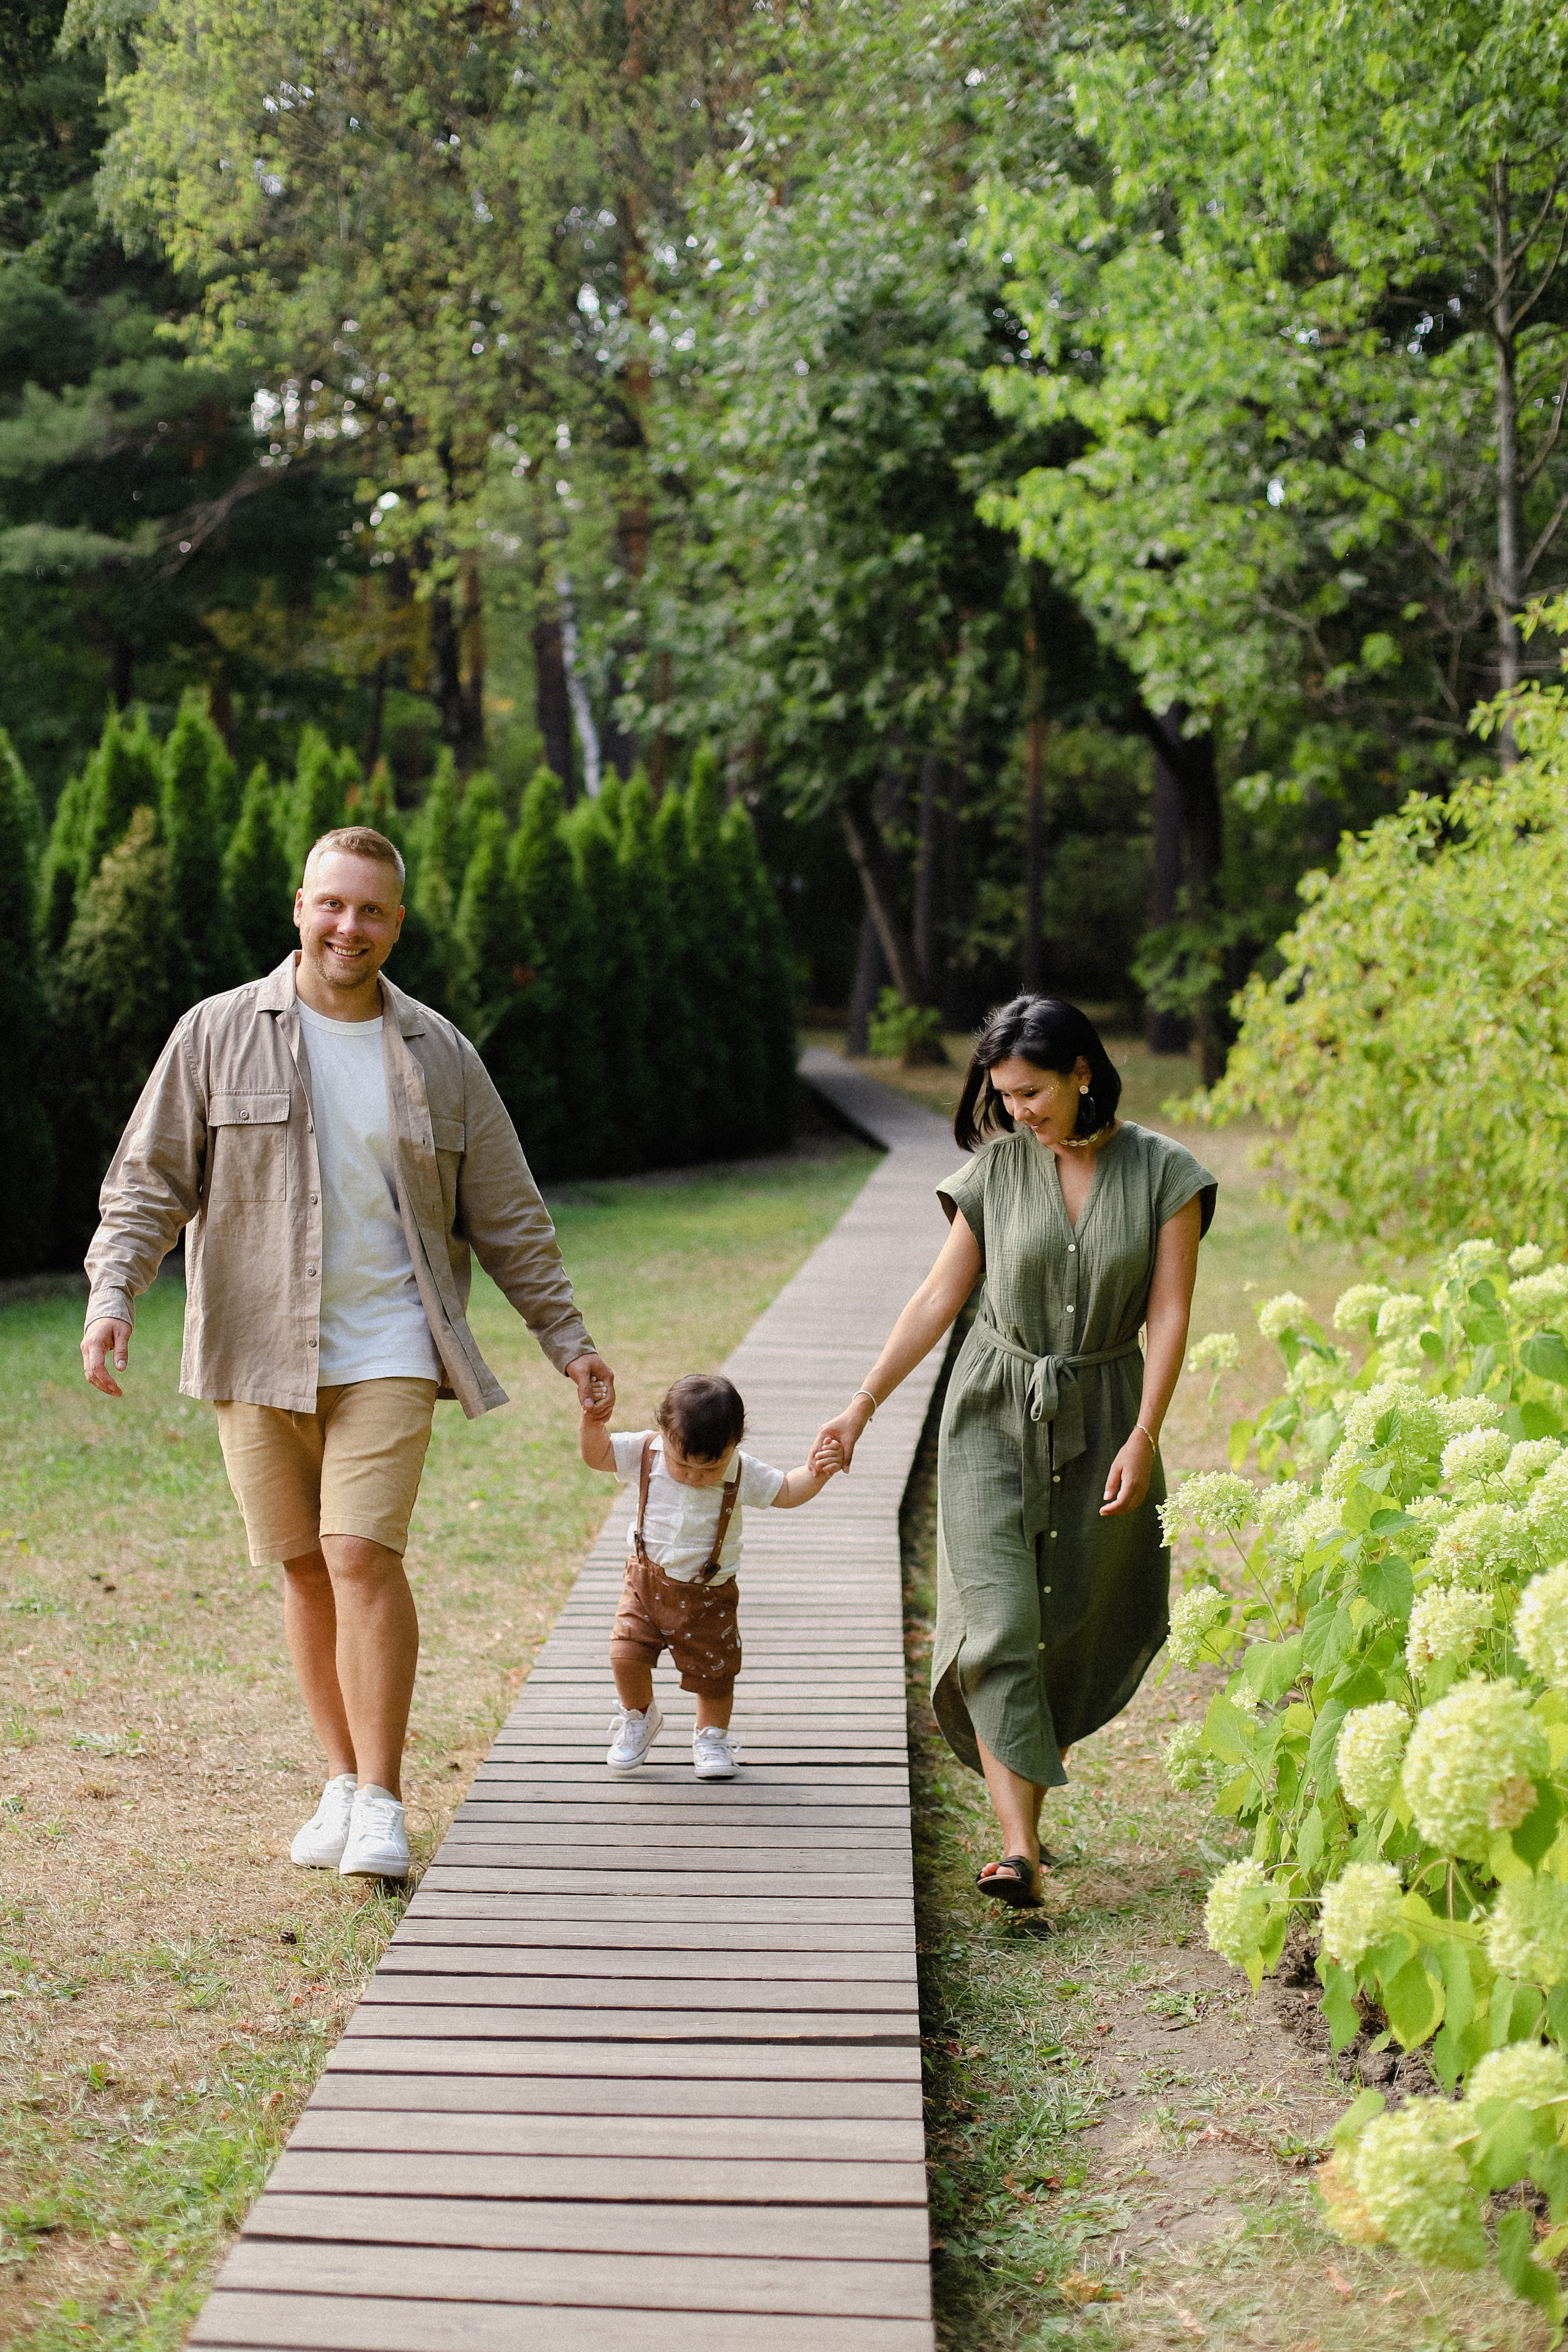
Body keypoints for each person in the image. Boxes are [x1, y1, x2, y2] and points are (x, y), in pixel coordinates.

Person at [80, 825, 615, 1881]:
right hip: (254, 1347)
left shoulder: (441, 1055)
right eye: (333, 904)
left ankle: (380, 1798)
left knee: (361, 1555)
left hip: (392, 1347)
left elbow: (507, 1213)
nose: (348, 926)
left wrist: (570, 1341)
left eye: (371, 910)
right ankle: (338, 1778)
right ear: (299, 906)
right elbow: (147, 1185)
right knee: (301, 1568)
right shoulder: (215, 1034)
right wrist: (113, 1296)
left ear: (396, 924)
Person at [814, 995, 1215, 1909]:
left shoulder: (1166, 1175)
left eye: (1031, 1092)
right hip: (991, 1413)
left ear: (1082, 1071)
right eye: (1004, 1097)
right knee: (995, 1625)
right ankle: (1018, 1851)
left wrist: (1144, 1434)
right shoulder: (996, 1173)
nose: (1018, 1112)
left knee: (1071, 1621)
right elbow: (936, 1298)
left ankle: (1026, 1821)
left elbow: (1170, 1312)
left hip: (1107, 1408)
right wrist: (862, 1406)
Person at [579, 1371, 841, 1781]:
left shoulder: (742, 1471)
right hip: (645, 1585)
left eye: (710, 1467)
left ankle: (711, 1736)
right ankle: (640, 1716)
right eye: (681, 1463)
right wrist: (592, 1424)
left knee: (714, 1676)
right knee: (624, 1655)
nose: (693, 1476)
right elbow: (598, 1456)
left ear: (736, 1444)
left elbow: (787, 1492)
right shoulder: (646, 1452)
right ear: (664, 1434)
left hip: (709, 1595)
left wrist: (817, 1474)